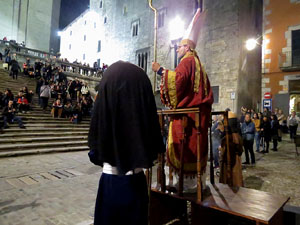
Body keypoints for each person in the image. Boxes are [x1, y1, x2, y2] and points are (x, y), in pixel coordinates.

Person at [88, 61, 164, 225]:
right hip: (136, 183)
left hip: (110, 182)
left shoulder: (110, 78)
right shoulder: (141, 80)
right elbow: (153, 138)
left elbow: (94, 151)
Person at [151, 9, 213, 180]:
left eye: (179, 47)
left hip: (187, 117)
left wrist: (160, 70)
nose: (177, 49)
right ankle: (195, 185)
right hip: (198, 116)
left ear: (187, 47)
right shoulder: (198, 63)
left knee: (184, 150)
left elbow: (178, 81)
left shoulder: (187, 62)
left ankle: (183, 188)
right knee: (196, 150)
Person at [219, 111, 243, 187]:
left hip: (231, 162)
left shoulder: (230, 137)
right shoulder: (236, 136)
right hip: (234, 160)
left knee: (233, 180)